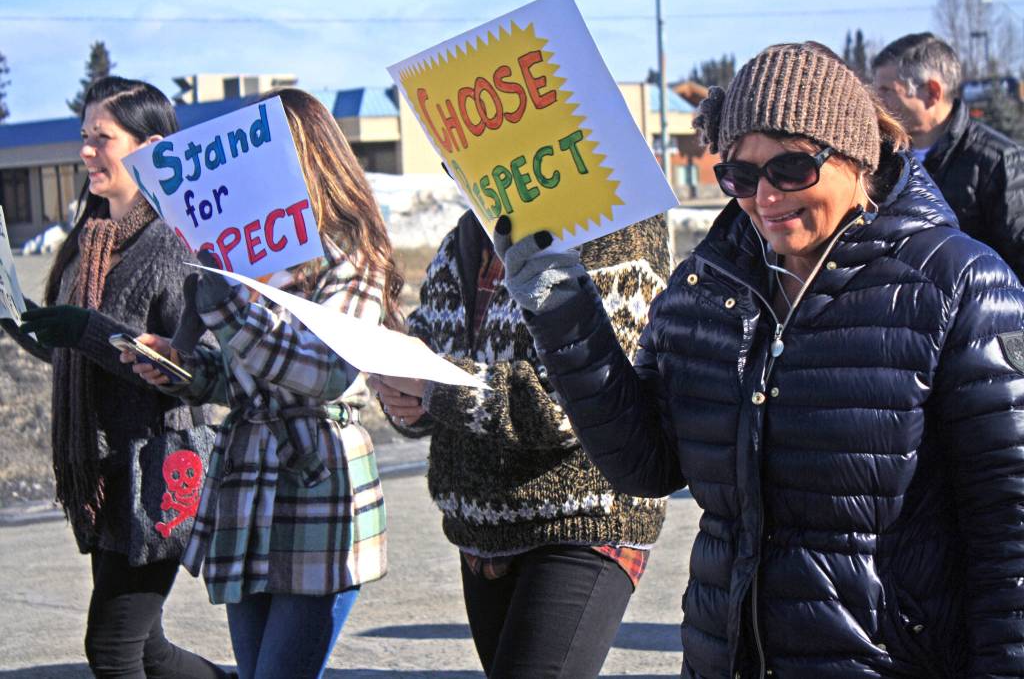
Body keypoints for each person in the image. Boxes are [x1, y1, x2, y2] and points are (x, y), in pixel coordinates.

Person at [496, 42, 1024, 678]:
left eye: (792, 168)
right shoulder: (705, 290)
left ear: (857, 157)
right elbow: (645, 464)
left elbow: (1010, 536)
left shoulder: (958, 285)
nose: (764, 196)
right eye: (740, 176)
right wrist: (565, 314)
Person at [124, 88, 401, 679]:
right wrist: (186, 371)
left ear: (302, 156)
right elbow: (244, 377)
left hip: (317, 480)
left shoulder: (350, 254)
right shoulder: (247, 254)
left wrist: (225, 308)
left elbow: (325, 370)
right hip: (245, 481)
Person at [370, 208, 669, 678]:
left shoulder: (615, 221)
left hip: (583, 521)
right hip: (481, 528)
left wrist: (434, 389)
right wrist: (399, 395)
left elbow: (571, 407)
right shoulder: (467, 235)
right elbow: (427, 354)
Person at [1, 77, 227, 678]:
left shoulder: (178, 242)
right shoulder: (92, 240)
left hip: (158, 474)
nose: (85, 152)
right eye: (84, 137)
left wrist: (84, 330)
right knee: (148, 650)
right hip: (106, 481)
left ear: (147, 147)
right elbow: (80, 356)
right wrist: (28, 327)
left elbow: (192, 369)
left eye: (101, 138)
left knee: (112, 649)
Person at [872, 32, 1024, 279]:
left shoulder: (999, 161)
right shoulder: (882, 159)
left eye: (887, 90)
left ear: (932, 92)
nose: (877, 102)